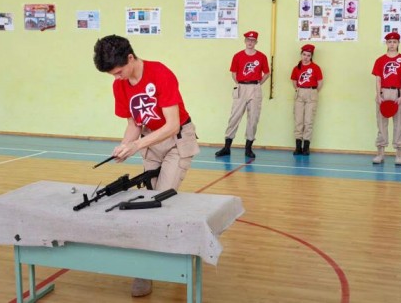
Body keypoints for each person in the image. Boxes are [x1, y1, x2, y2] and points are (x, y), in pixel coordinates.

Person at [93, 34, 200, 297]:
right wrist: (124, 146)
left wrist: (136, 146)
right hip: (150, 140)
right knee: (146, 200)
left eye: (118, 71)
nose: (117, 78)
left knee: (161, 200)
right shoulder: (119, 85)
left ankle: (174, 258)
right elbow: (134, 125)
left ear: (130, 57)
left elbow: (172, 125)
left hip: (175, 139)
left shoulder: (161, 73)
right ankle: (145, 269)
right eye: (112, 75)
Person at [215, 30, 270, 158]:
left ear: (256, 42)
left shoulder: (261, 56)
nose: (250, 42)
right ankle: (227, 146)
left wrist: (257, 84)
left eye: (253, 40)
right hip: (241, 87)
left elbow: (266, 73)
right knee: (234, 116)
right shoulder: (238, 56)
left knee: (253, 118)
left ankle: (248, 148)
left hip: (254, 88)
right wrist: (241, 83)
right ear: (245, 41)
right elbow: (234, 73)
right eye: (248, 40)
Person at [371, 32, 401, 166]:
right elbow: (378, 79)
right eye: (390, 42)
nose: (392, 44)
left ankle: (399, 155)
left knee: (399, 124)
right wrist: (379, 95)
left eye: (395, 42)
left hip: (397, 93)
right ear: (386, 43)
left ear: (398, 43)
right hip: (383, 92)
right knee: (381, 124)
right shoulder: (380, 60)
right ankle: (380, 153)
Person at [290, 44, 324, 156]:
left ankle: (306, 147)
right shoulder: (296, 68)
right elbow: (294, 81)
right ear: (301, 54)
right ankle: (298, 147)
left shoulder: (316, 68)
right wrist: (299, 90)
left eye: (308, 55)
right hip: (300, 93)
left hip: (311, 93)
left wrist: (312, 92)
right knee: (298, 120)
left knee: (308, 121)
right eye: (304, 54)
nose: (305, 57)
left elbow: (320, 83)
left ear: (311, 56)